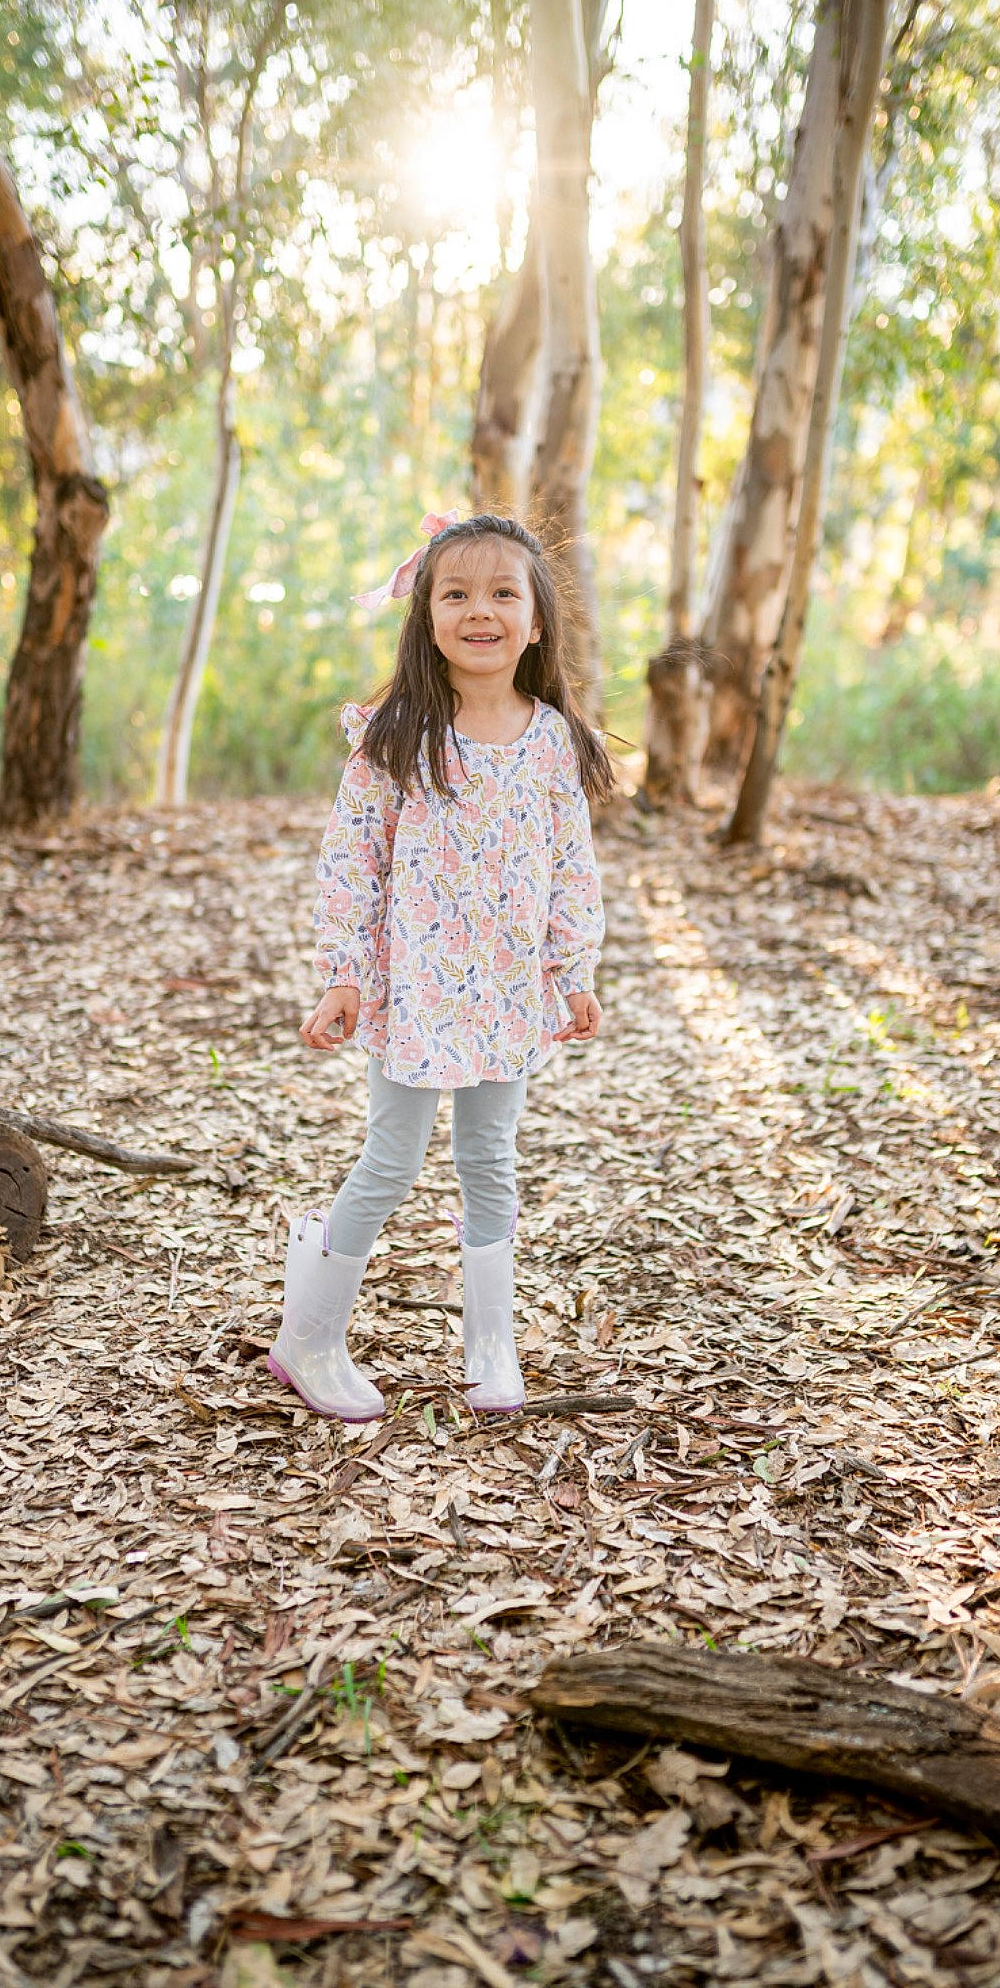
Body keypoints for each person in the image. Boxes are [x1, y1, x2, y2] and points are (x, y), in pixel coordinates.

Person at [268, 510, 611, 1423]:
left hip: (506, 991)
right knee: (392, 1157)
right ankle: (308, 1338)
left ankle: (490, 1345)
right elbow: (353, 862)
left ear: (537, 620)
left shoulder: (552, 741)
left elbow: (572, 864)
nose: (480, 610)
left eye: (504, 592)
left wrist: (573, 968)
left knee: (490, 1158)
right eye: (455, 593)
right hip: (415, 986)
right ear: (426, 616)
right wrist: (344, 973)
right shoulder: (397, 736)